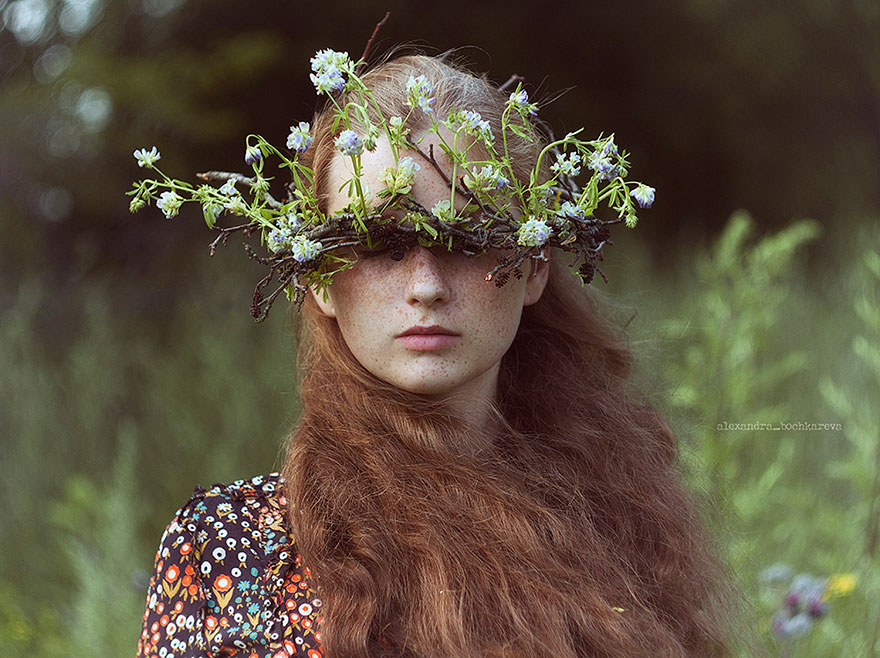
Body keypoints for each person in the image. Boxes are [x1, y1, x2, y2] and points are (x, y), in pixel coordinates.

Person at [136, 53, 741, 658]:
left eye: (466, 240)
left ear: (532, 265)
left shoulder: (618, 523)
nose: (426, 285)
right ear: (318, 276)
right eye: (379, 244)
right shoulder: (235, 549)